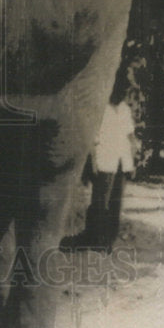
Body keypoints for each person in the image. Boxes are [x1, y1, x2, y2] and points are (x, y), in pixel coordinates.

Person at [61, 99, 138, 253]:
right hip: (105, 161)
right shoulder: (100, 108)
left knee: (116, 204)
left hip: (122, 163)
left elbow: (131, 137)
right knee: (100, 203)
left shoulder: (124, 109)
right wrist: (93, 162)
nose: (122, 93)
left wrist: (133, 160)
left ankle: (107, 242)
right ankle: (94, 239)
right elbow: (91, 138)